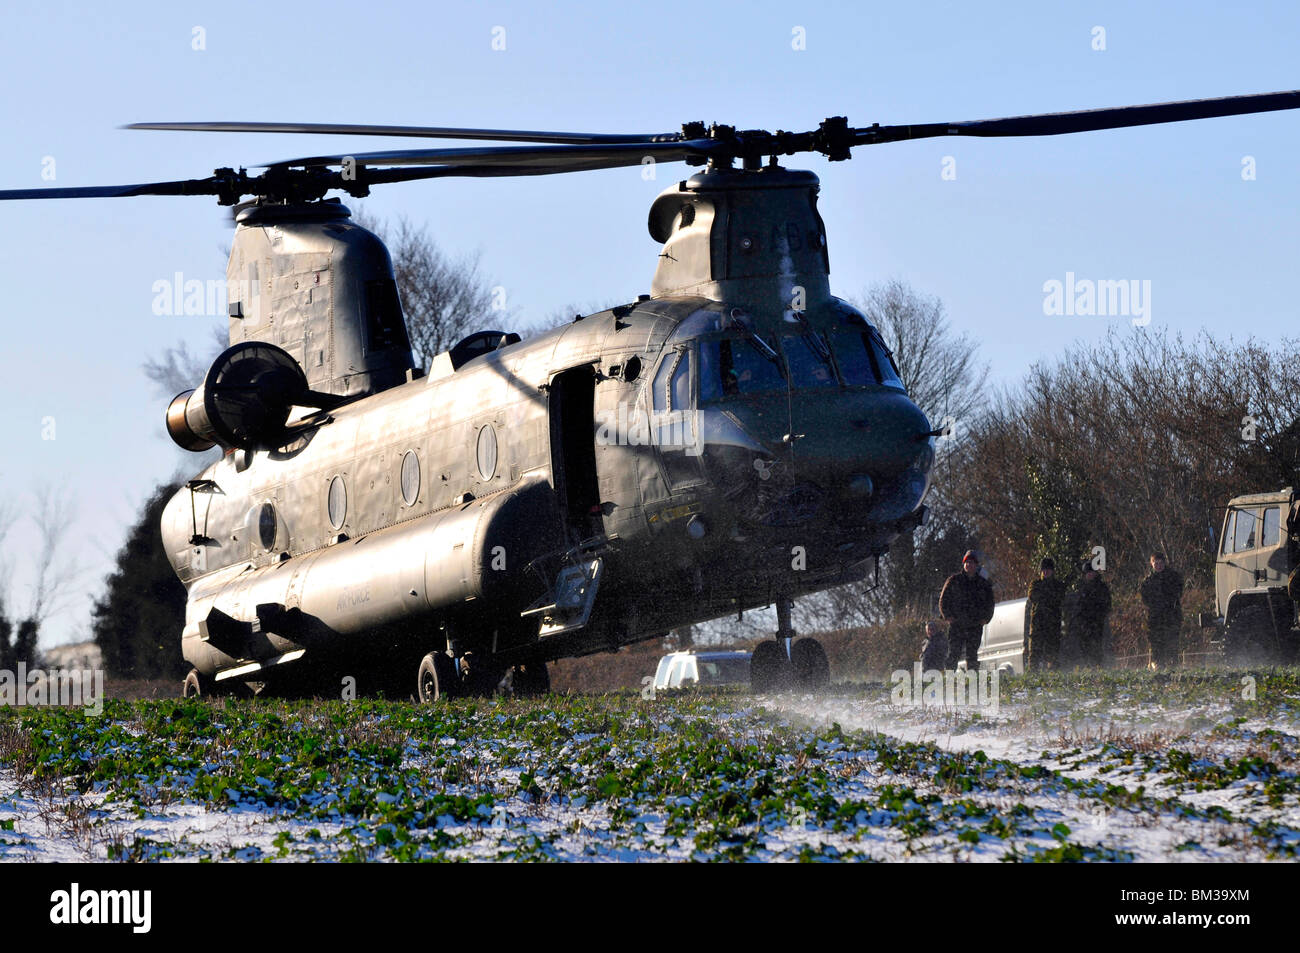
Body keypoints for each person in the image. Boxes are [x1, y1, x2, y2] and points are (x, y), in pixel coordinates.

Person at [940, 550, 995, 671]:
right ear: (963, 564)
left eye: (972, 563)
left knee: (972, 655)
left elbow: (990, 603)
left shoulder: (983, 583)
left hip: (975, 624)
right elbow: (944, 600)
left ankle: (972, 680)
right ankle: (949, 679)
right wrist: (947, 615)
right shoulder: (954, 580)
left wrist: (986, 618)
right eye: (967, 562)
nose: (969, 565)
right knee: (953, 653)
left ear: (976, 565)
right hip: (957, 624)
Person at [1140, 551, 1183, 669]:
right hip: (1155, 617)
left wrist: (1168, 604)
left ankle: (1173, 664)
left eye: (1160, 563)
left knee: (1172, 641)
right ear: (1151, 564)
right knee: (1156, 642)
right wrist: (1155, 606)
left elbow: (1178, 593)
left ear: (1164, 563)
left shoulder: (1173, 577)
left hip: (1171, 615)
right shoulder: (1147, 581)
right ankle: (1158, 664)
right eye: (1156, 563)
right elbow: (1145, 599)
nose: (1158, 565)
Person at [1026, 557, 1066, 671]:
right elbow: (1033, 596)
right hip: (1038, 625)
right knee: (1034, 654)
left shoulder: (1058, 585)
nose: (1045, 572)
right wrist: (1048, 595)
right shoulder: (1035, 584)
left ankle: (1053, 676)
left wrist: (1046, 595)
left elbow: (1059, 598)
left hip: (1053, 625)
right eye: (1043, 570)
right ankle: (1033, 676)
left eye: (1048, 569)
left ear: (1052, 571)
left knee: (1053, 653)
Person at [1074, 561, 1112, 666]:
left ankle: (1098, 665)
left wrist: (1100, 615)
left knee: (1097, 645)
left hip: (1097, 622)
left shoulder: (1102, 587)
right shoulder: (1081, 588)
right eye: (1088, 572)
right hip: (1084, 623)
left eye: (1092, 572)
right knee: (1085, 646)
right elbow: (1077, 606)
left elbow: (1107, 604)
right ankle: (1087, 666)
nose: (1090, 574)